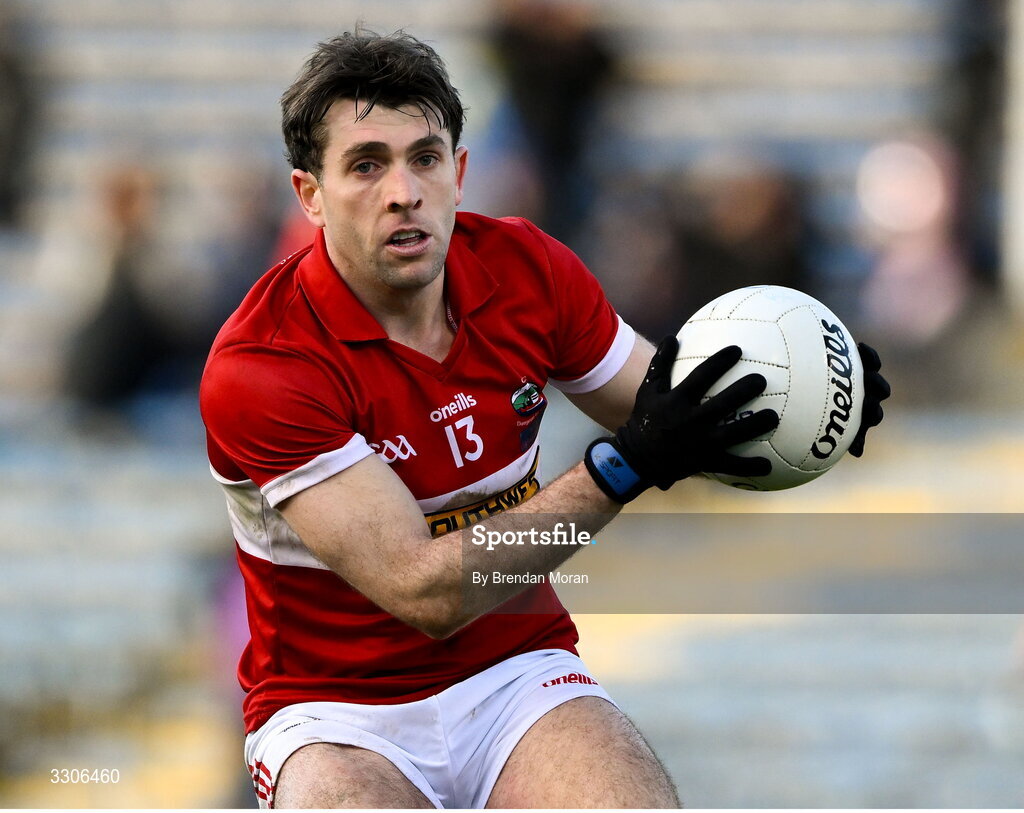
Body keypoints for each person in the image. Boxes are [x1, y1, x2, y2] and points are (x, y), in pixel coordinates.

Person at [200, 30, 889, 809]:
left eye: (425, 158)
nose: (403, 190)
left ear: (459, 174)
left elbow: (674, 414)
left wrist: (797, 399)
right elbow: (424, 592)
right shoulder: (263, 365)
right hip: (335, 713)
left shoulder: (529, 270)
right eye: (366, 165)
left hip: (511, 675)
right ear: (309, 195)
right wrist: (617, 469)